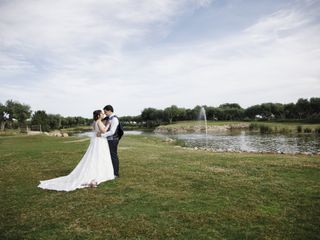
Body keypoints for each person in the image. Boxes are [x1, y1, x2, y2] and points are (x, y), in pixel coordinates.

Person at [38, 110, 115, 191]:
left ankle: (99, 171)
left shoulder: (95, 122)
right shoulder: (99, 122)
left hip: (97, 140)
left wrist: (104, 125)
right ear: (99, 115)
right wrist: (108, 125)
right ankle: (101, 172)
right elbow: (103, 131)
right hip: (100, 141)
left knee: (96, 156)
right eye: (102, 114)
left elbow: (97, 131)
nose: (103, 114)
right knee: (100, 155)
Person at [97, 105, 120, 178]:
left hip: (113, 140)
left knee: (113, 156)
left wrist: (101, 135)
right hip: (109, 140)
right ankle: (110, 171)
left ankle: (115, 173)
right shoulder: (109, 118)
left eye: (105, 111)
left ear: (110, 110)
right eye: (104, 112)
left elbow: (112, 132)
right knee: (109, 156)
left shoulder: (114, 119)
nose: (105, 113)